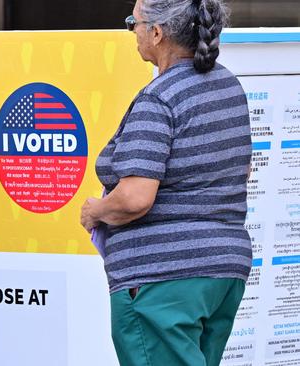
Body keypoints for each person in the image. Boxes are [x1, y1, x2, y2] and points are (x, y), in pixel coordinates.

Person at [79, 0, 252, 365]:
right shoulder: (229, 87)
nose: (133, 31)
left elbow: (135, 198)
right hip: (223, 272)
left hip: (161, 279)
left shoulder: (159, 98)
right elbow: (242, 170)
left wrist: (97, 210)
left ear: (156, 33)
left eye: (134, 22)